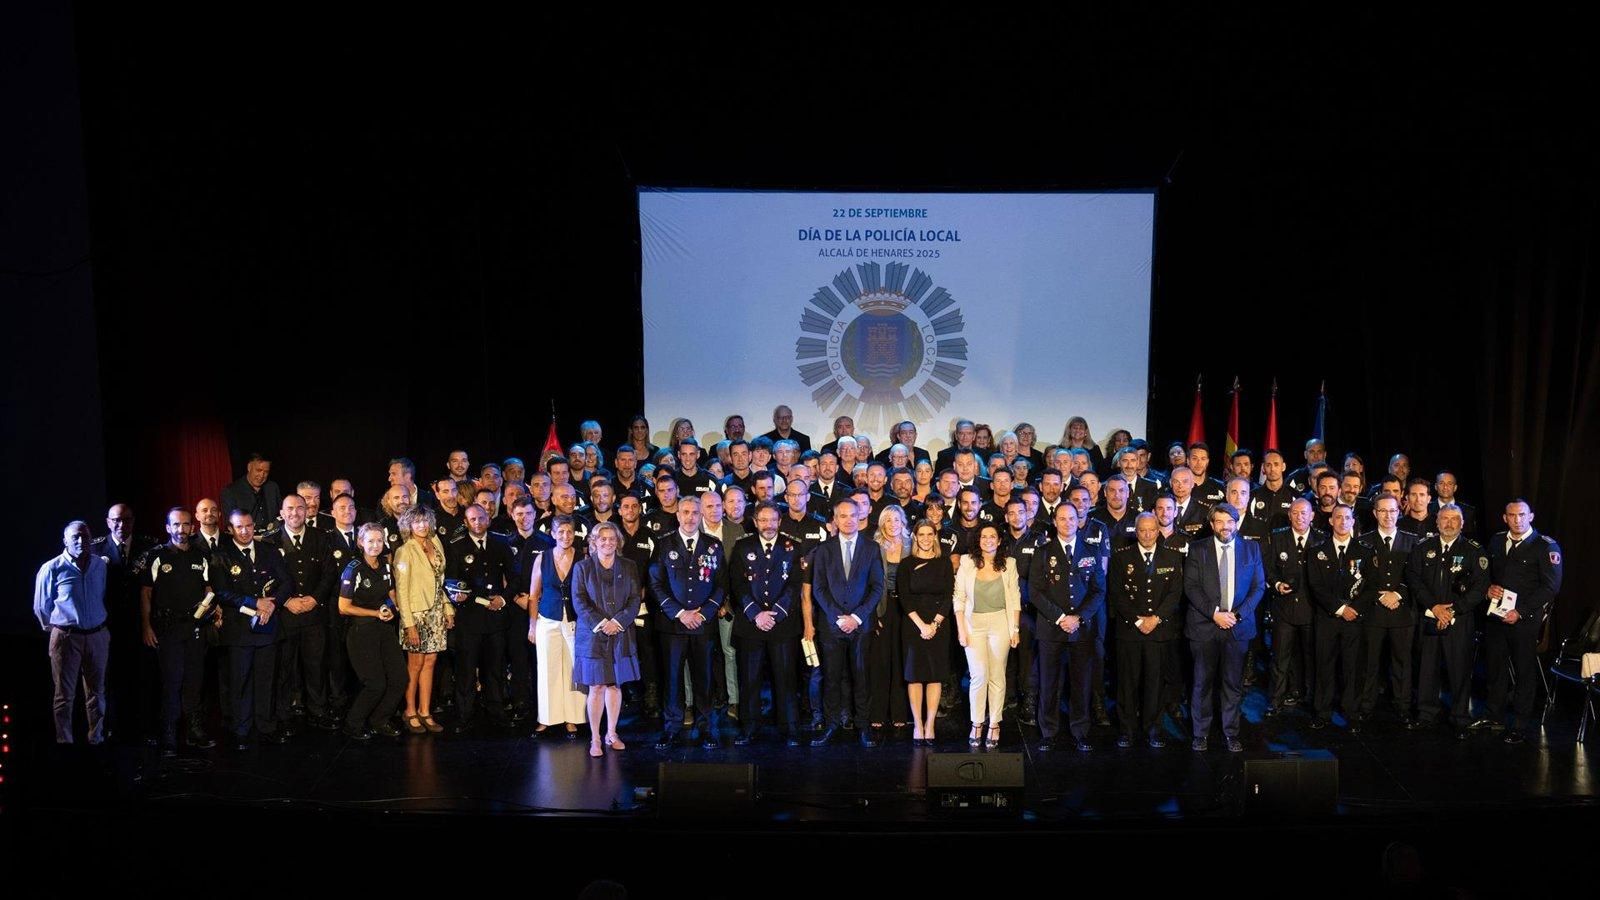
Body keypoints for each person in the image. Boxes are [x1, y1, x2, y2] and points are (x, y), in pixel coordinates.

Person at [1182, 503, 1264, 752]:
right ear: (1212, 524)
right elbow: (1191, 587)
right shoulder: (1198, 549)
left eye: (1230, 521)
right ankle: (1200, 733)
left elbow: (1258, 587)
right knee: (1202, 682)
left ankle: (1231, 732)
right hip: (1204, 627)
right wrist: (1214, 614)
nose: (1225, 526)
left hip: (1237, 628)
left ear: (1237, 523)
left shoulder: (1251, 548)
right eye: (1219, 521)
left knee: (1232, 683)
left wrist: (1237, 616)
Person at [1482, 500, 1563, 743]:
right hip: (1496, 616)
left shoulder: (1545, 546)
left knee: (1524, 670)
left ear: (1531, 516)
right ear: (1504, 518)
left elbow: (1550, 587)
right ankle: (1494, 716)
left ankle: (1519, 723)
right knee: (1495, 667)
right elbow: (1486, 572)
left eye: (1522, 515)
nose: (1517, 519)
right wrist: (1488, 589)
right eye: (1512, 515)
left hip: (1525, 620)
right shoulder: (1497, 540)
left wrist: (1521, 611)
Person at [807, 496, 885, 747]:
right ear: (835, 520)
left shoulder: (872, 548)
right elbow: (818, 588)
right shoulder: (823, 549)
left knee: (861, 677)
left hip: (861, 625)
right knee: (831, 677)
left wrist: (856, 617)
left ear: (860, 516)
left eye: (853, 515)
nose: (848, 520)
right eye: (843, 516)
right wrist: (837, 617)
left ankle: (863, 726)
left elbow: (877, 587)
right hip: (832, 626)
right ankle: (831, 725)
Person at [139, 507, 217, 755]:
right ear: (167, 528)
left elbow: (208, 588)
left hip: (195, 628)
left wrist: (212, 610)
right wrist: (146, 626)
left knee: (194, 681)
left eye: (185, 525)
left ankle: (194, 731)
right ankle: (169, 734)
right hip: (168, 629)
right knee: (171, 682)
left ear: (192, 527)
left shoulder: (201, 556)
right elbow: (146, 593)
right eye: (176, 525)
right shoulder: (158, 557)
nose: (181, 529)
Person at [1406, 504, 1487, 738]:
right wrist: (1434, 607)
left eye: (1454, 519)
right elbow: (1414, 578)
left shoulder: (1473, 550)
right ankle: (1426, 714)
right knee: (1427, 668)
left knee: (1460, 668)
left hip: (1459, 619)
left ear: (1462, 523)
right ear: (1437, 522)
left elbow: (1480, 586)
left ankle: (1460, 716)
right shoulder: (1424, 548)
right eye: (1445, 519)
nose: (1449, 524)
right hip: (1430, 616)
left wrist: (1453, 610)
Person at [1029, 503, 1105, 752]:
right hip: (1051, 628)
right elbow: (1035, 592)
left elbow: (1098, 590)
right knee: (1049, 682)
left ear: (1078, 520)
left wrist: (1079, 618)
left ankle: (1080, 731)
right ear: (1054, 521)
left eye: (1072, 518)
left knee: (1081, 683)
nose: (1068, 523)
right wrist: (1061, 617)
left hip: (1082, 629)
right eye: (1062, 519)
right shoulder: (1043, 552)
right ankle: (1048, 732)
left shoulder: (1091, 551)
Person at [650, 500, 726, 749]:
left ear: (702, 514)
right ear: (677, 514)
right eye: (686, 512)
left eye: (695, 512)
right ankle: (671, 727)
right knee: (672, 679)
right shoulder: (663, 544)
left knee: (704, 679)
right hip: (673, 625)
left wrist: (703, 614)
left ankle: (706, 728)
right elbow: (655, 584)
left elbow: (722, 585)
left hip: (703, 625)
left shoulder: (713, 546)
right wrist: (681, 613)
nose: (691, 517)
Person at [728, 503, 805, 746]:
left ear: (780, 522)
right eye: (763, 520)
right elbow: (736, 585)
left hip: (782, 625)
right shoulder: (742, 546)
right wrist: (756, 614)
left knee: (786, 679)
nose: (769, 525)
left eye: (773, 520)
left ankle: (790, 727)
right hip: (751, 625)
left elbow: (795, 584)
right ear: (755, 521)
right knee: (749, 679)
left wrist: (776, 613)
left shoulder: (792, 546)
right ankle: (749, 727)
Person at [214, 510, 292, 749]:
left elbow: (287, 582)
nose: (245, 531)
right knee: (241, 680)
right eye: (239, 527)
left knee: (266, 679)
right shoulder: (222, 555)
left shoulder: (268, 550)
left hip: (267, 626)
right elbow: (222, 591)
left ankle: (266, 726)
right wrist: (254, 602)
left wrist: (272, 604)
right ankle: (242, 729)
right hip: (239, 630)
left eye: (248, 526)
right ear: (230, 529)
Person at [35, 521, 112, 745]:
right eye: (76, 537)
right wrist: (60, 629)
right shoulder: (52, 567)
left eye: (85, 537)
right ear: (65, 540)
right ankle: (65, 743)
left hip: (97, 635)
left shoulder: (100, 565)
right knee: (64, 696)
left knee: (97, 693)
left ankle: (95, 740)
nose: (81, 541)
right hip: (66, 637)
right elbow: (41, 607)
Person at [1109, 513, 1183, 748]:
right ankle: (1126, 730)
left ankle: (1154, 729)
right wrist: (1138, 621)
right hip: (1130, 631)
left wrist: (1156, 618)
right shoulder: (1121, 558)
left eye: (1152, 530)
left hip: (1159, 631)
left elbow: (1175, 594)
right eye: (1143, 530)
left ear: (1158, 531)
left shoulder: (1171, 557)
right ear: (1136, 531)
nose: (1148, 534)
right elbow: (1117, 594)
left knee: (1155, 682)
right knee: (1127, 683)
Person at [267, 494, 337, 734]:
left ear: (307, 511)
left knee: (316, 665)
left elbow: (329, 574)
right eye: (290, 508)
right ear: (282, 512)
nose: (295, 513)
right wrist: (286, 601)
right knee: (284, 667)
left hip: (314, 614)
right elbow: (267, 578)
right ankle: (283, 714)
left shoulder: (321, 539)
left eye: (300, 508)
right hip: (285, 615)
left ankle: (317, 710)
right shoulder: (271, 541)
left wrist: (314, 599)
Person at [573, 521, 642, 757]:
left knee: (615, 685)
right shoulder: (582, 568)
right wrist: (602, 624)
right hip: (593, 636)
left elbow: (634, 599)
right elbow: (579, 600)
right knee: (597, 686)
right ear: (594, 542)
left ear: (618, 541)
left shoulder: (629, 566)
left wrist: (618, 622)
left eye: (612, 538)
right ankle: (595, 738)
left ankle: (612, 733)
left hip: (621, 633)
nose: (608, 542)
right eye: (602, 538)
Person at [1307, 504, 1376, 732]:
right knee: (1324, 667)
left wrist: (1353, 609)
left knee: (1352, 667)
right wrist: (1339, 608)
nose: (1343, 521)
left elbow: (1371, 586)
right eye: (1338, 517)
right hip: (1327, 619)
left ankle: (1351, 712)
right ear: (1331, 521)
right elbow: (1316, 586)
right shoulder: (1317, 550)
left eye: (1347, 518)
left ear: (1353, 522)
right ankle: (1322, 712)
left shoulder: (1365, 551)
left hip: (1354, 619)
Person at [446, 504, 514, 733]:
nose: (477, 523)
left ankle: (496, 712)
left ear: (489, 518)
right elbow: (451, 580)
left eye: (481, 518)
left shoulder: (501, 543)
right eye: (472, 519)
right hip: (469, 618)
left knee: (495, 668)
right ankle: (464, 715)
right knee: (466, 670)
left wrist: (503, 599)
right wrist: (458, 595)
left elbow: (514, 578)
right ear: (466, 522)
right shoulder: (456, 546)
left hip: (496, 617)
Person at [953, 523, 1021, 749]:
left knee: (997, 675)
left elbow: (1014, 598)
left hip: (1001, 622)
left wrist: (1015, 629)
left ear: (999, 540)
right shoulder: (966, 562)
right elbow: (959, 598)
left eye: (993, 536)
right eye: (984, 536)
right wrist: (961, 630)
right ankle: (977, 723)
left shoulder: (1009, 564)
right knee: (978, 675)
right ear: (978, 540)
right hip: (974, 624)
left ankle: (994, 723)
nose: (988, 540)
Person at [337, 524, 406, 740]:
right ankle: (352, 724)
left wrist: (390, 607)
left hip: (384, 628)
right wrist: (376, 613)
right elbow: (343, 607)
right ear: (361, 542)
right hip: (361, 631)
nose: (375, 545)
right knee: (375, 684)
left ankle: (380, 719)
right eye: (370, 541)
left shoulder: (385, 566)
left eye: (379, 541)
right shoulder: (353, 568)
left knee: (400, 678)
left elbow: (390, 593)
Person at [1356, 495, 1419, 726]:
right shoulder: (1363, 541)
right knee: (1370, 662)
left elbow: (1418, 575)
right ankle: (1366, 706)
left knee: (1402, 662)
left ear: (1398, 513)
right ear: (1375, 513)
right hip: (1373, 611)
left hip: (1402, 612)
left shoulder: (1412, 541)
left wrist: (1398, 593)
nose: (1388, 515)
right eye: (1383, 511)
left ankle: (1403, 707)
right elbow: (1359, 577)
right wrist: (1380, 594)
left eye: (1392, 511)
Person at [394, 505, 453, 735]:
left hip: (436, 612)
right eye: (417, 522)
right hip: (415, 615)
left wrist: (448, 608)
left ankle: (425, 710)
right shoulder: (404, 551)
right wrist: (409, 624)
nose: (422, 525)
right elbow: (401, 591)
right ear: (408, 525)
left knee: (430, 663)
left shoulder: (435, 543)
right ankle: (410, 711)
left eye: (425, 521)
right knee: (415, 664)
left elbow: (441, 580)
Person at [527, 515, 587, 738]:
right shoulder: (542, 558)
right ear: (552, 534)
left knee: (574, 669)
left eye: (569, 532)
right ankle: (547, 718)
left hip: (575, 621)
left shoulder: (583, 558)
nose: (565, 536)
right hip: (548, 619)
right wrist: (532, 626)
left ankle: (573, 718)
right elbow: (533, 596)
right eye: (560, 532)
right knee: (547, 669)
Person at [1263, 499, 1324, 716]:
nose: (1300, 517)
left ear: (1312, 516)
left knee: (1311, 657)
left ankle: (1311, 701)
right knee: (1280, 658)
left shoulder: (1321, 539)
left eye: (1304, 513)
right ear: (1289, 515)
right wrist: (1277, 584)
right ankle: (1275, 701)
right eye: (1296, 513)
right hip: (1284, 609)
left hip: (1311, 609)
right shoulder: (1277, 537)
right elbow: (1268, 568)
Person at [900, 520, 953, 746]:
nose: (925, 538)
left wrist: (935, 624)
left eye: (929, 534)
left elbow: (950, 594)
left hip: (938, 625)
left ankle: (930, 724)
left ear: (935, 536)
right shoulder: (906, 564)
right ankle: (918, 724)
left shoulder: (944, 563)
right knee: (914, 676)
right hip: (913, 624)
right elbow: (904, 597)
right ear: (915, 537)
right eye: (921, 534)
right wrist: (922, 625)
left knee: (934, 675)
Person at [868, 505, 911, 737]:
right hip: (882, 609)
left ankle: (900, 713)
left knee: (901, 662)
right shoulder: (874, 548)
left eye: (897, 520)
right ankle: (877, 713)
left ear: (903, 522)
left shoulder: (911, 546)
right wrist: (873, 615)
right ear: (882, 524)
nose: (893, 524)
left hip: (906, 610)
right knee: (881, 662)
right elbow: (869, 583)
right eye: (888, 520)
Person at [220, 452, 282, 527]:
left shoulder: (273, 487)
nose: (262, 475)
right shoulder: (230, 492)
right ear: (249, 467)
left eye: (266, 472)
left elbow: (281, 514)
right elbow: (230, 524)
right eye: (258, 470)